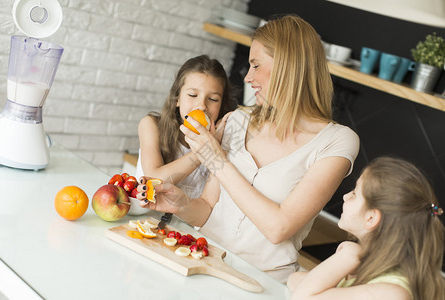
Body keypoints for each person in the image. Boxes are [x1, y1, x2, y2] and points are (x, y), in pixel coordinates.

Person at [137, 15, 360, 283]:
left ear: (286, 65)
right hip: (202, 261)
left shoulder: (336, 141)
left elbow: (278, 228)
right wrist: (180, 204)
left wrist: (216, 160)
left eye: (255, 65)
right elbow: (208, 207)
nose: (249, 77)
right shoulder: (238, 120)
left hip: (261, 282)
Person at [288, 157, 445, 300]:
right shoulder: (371, 265)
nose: (345, 196)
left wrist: (348, 255)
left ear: (371, 218)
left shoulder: (391, 293)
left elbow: (302, 295)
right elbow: (294, 280)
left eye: (355, 193)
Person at [135, 55, 236, 198]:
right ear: (177, 99)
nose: (201, 105)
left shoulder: (223, 140)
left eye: (213, 99)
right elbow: (153, 180)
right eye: (193, 95)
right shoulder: (151, 125)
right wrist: (205, 150)